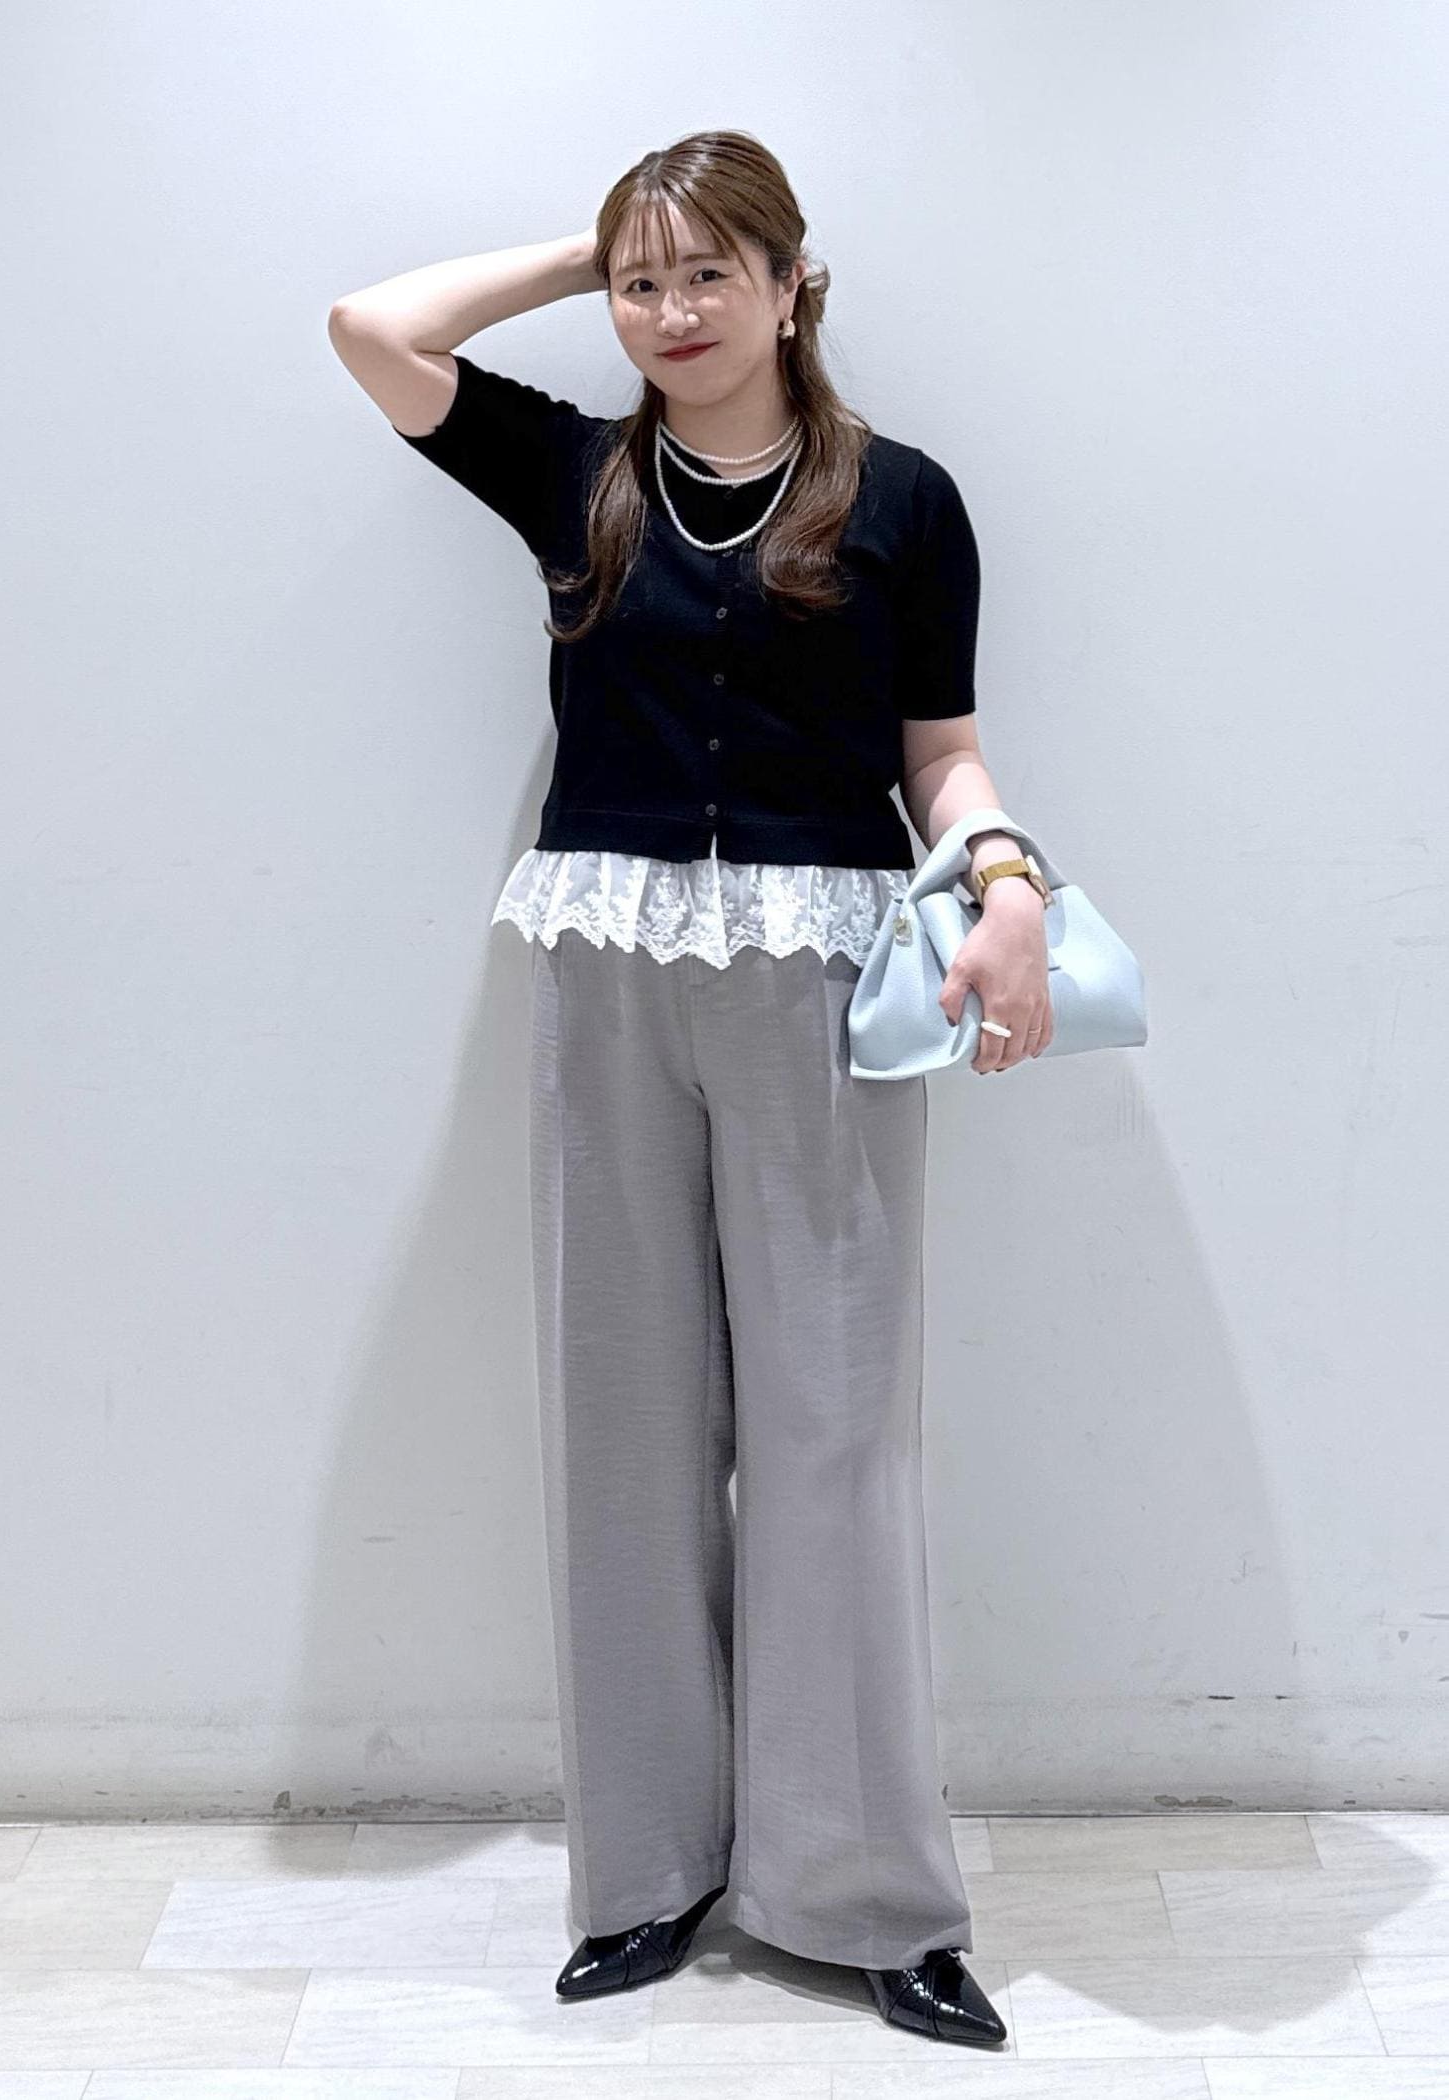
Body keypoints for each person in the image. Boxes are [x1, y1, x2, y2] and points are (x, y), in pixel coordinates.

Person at [329, 128, 1051, 2051]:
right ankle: (647, 1871)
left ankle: (866, 1891)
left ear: (793, 283)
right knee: (624, 1425)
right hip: (610, 972)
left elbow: (942, 749)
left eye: (709, 273)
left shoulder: (905, 500)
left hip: (825, 981)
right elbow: (373, 328)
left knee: (837, 1434)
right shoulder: (573, 467)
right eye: (645, 283)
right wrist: (594, 250)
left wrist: (1005, 884)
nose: (670, 312)